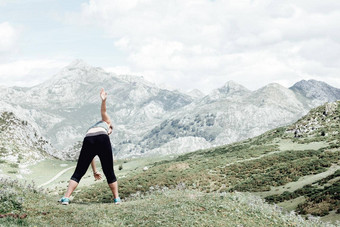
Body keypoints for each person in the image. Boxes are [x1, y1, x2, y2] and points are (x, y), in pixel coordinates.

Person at [59, 88, 120, 205]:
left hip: (88, 138)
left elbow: (92, 155)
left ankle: (66, 198)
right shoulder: (107, 123)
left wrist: (95, 171)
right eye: (111, 131)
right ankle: (117, 199)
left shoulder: (91, 128)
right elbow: (104, 111)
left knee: (79, 172)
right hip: (102, 138)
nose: (110, 132)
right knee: (109, 171)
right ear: (110, 128)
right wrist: (103, 101)